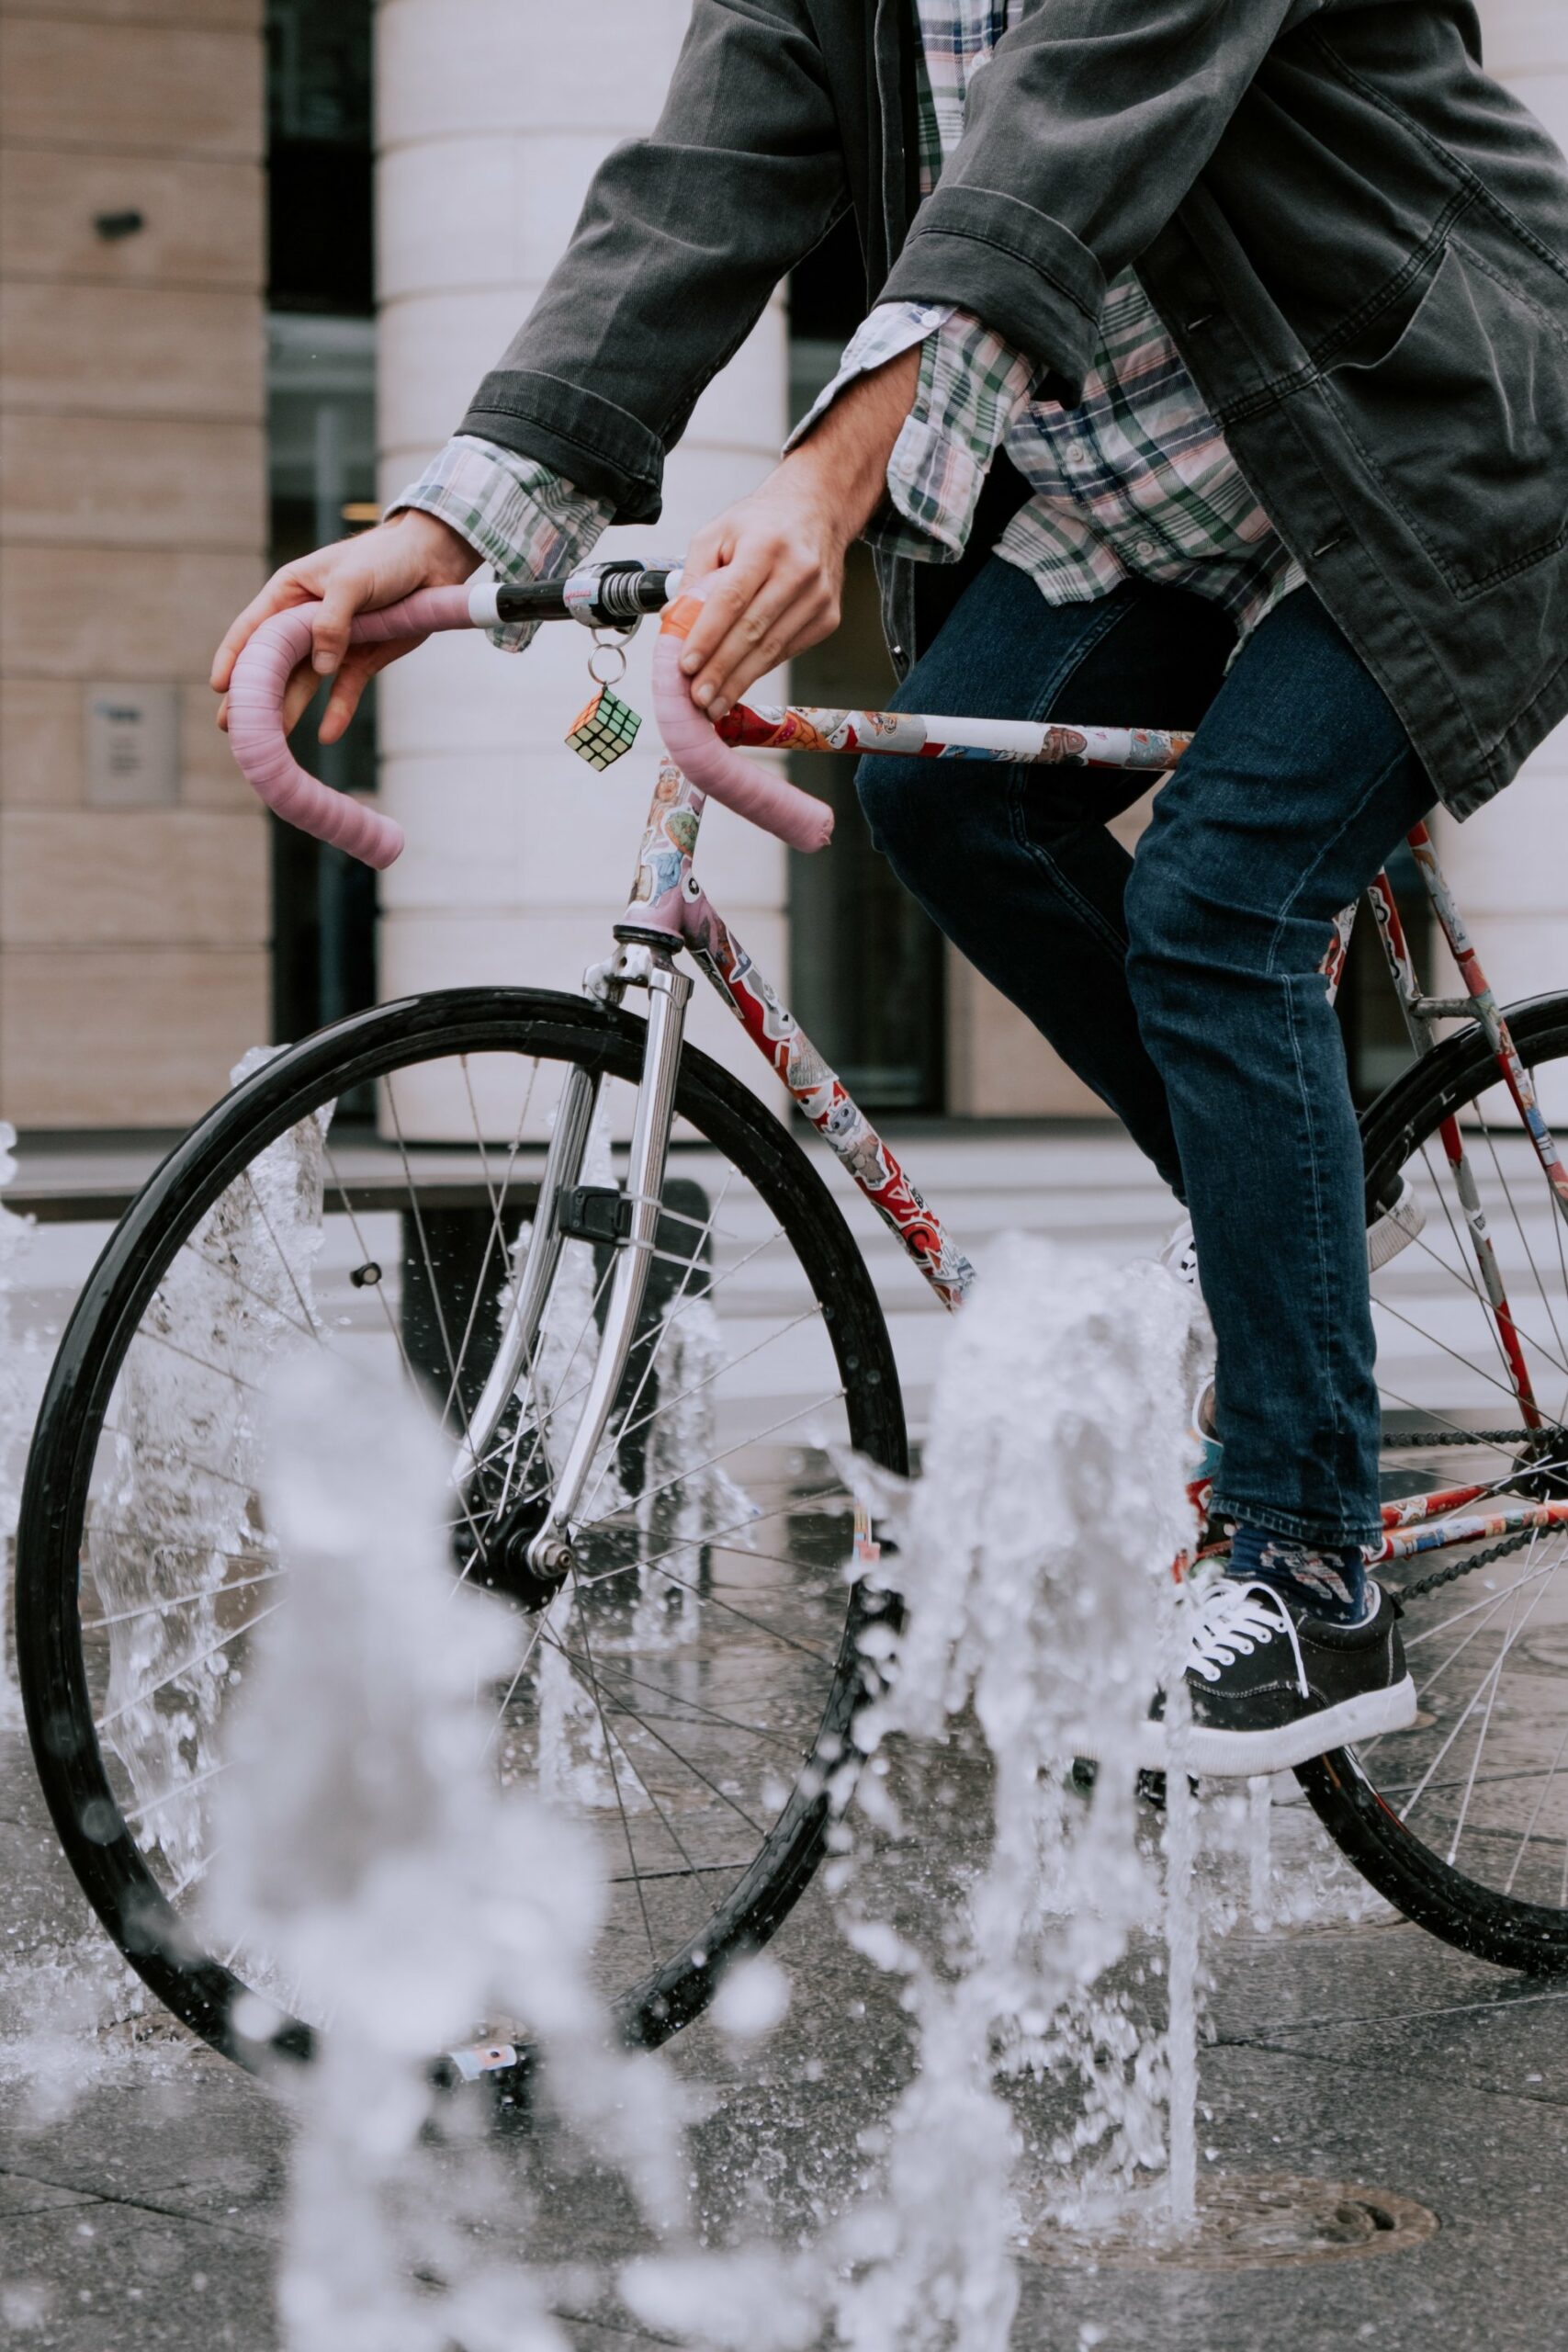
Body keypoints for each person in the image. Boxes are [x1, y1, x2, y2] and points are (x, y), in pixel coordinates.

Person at [213, 0, 1568, 1772]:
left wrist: (831, 473)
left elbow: (1063, 128)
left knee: (1221, 905)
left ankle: (1312, 1571)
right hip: (1137, 502)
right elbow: (687, 198)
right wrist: (450, 524)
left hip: (1421, 446)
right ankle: (1297, 1206)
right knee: (944, 803)